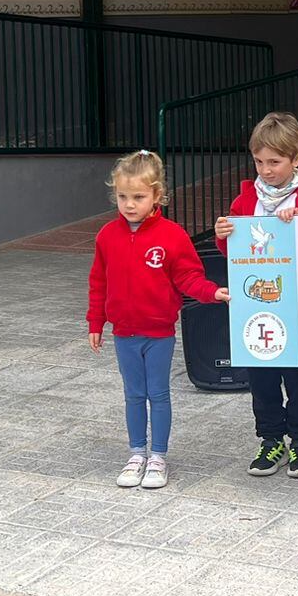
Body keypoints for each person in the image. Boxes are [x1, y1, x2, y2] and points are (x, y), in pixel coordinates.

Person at [87, 150, 229, 490]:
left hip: (159, 333)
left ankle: (158, 457)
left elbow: (189, 277)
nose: (129, 204)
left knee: (158, 394)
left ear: (157, 196)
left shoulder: (172, 236)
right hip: (124, 334)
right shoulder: (107, 236)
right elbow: (98, 282)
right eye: (123, 196)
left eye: (138, 197)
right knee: (133, 395)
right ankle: (136, 453)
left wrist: (212, 292)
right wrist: (96, 322)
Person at [212, 111, 298, 479]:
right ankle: (270, 438)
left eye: (274, 162)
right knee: (261, 377)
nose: (265, 170)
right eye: (259, 161)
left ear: (296, 159)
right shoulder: (246, 200)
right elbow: (233, 251)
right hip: (254, 309)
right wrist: (223, 231)